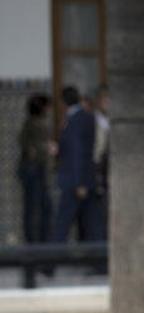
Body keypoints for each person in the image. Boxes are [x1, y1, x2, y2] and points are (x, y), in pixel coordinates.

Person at [52, 85, 99, 244]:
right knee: (91, 223)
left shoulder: (74, 120)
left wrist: (79, 182)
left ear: (63, 102)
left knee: (63, 222)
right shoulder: (86, 117)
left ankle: (50, 262)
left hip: (75, 181)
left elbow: (78, 152)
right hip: (85, 178)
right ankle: (96, 262)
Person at [17, 93, 55, 244]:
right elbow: (33, 149)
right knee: (39, 211)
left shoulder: (30, 123)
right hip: (35, 171)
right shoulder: (37, 124)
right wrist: (48, 148)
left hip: (31, 171)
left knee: (36, 210)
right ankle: (38, 251)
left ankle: (35, 250)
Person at [91, 84, 111, 241]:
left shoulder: (111, 120)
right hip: (97, 169)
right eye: (105, 100)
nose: (108, 103)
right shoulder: (92, 120)